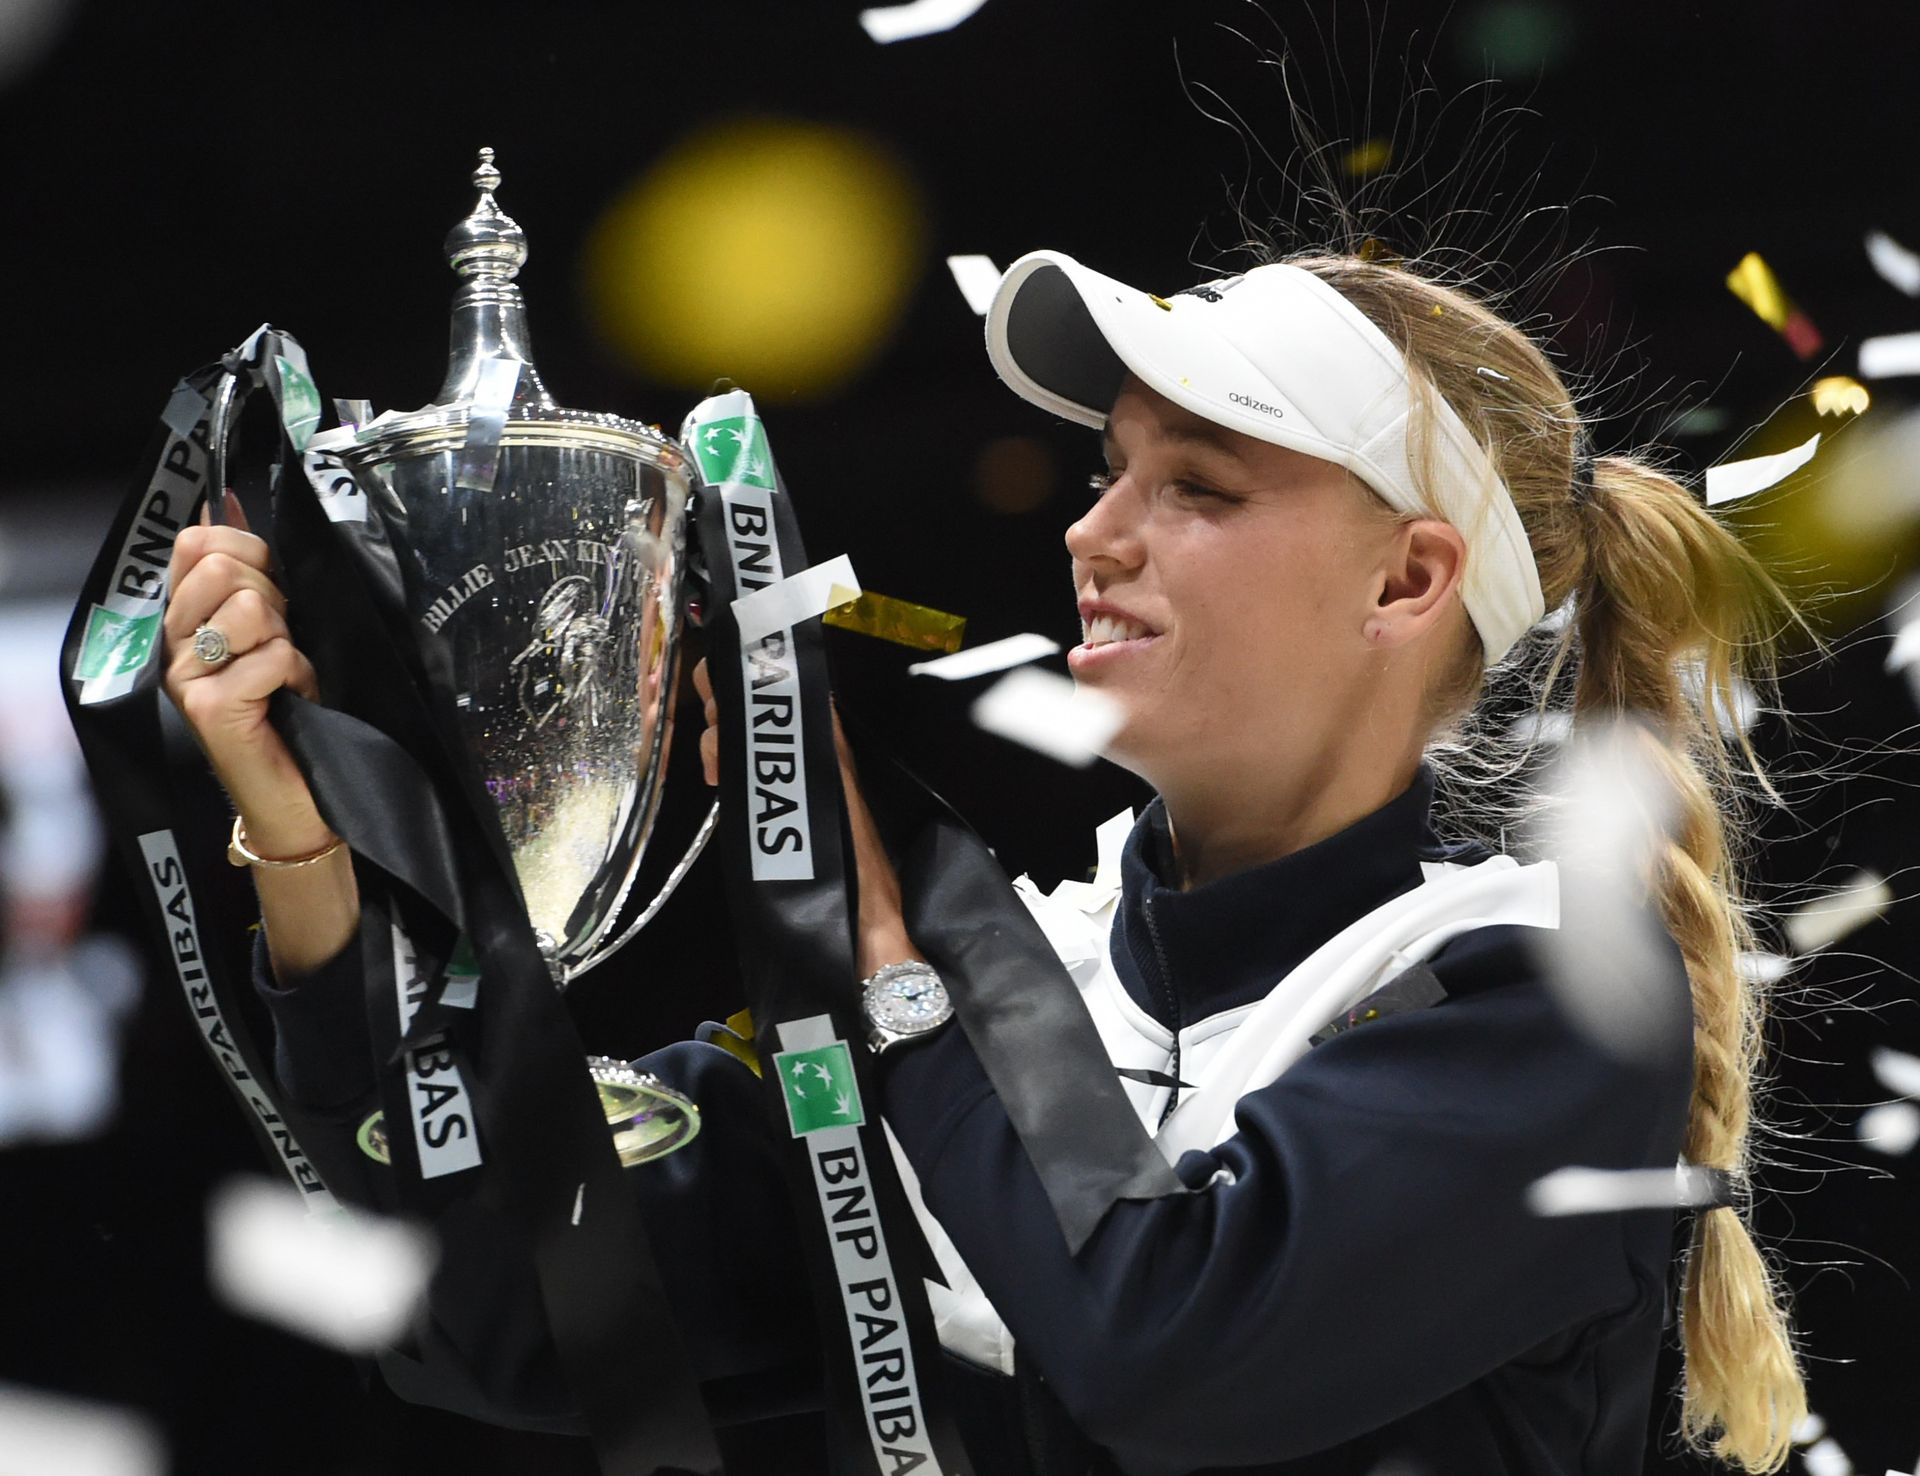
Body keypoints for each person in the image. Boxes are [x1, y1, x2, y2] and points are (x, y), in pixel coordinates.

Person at [163, 242, 1811, 1474]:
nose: (1095, 534)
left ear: (1407, 583)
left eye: (1199, 487)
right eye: (1110, 476)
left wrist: (894, 927)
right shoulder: (1011, 989)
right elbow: (502, 1315)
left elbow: (1168, 1344)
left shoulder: (1548, 1002)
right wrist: (318, 845)